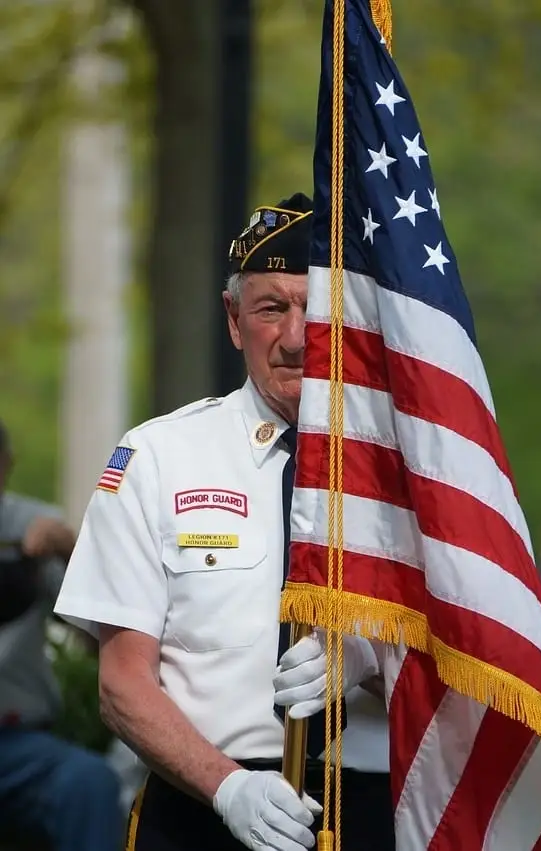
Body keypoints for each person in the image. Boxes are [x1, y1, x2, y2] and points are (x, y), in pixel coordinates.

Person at [54, 193, 390, 851]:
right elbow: (122, 682)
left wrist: (368, 658)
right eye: (271, 308)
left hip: (375, 808)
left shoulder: (410, 477)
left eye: (316, 310)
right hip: (202, 806)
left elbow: (473, 658)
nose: (297, 338)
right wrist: (228, 787)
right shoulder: (158, 458)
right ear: (234, 320)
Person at [0, 418, 124, 851]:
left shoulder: (34, 524)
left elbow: (98, 640)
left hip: (17, 744)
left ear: (7, 465)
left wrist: (71, 550)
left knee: (89, 782)